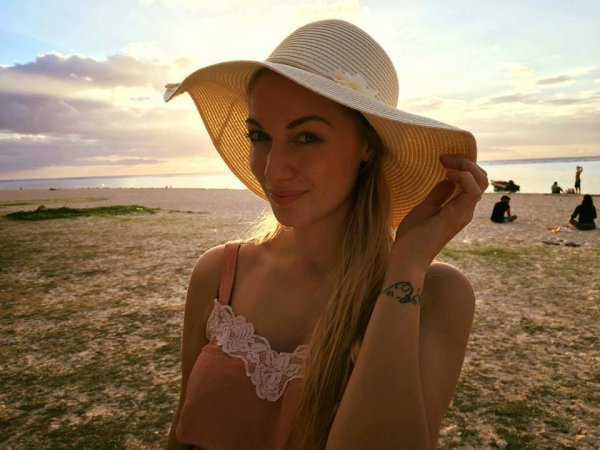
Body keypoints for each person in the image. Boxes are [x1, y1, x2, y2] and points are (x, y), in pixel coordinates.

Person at [164, 20, 487, 450]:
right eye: (259, 135)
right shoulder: (218, 273)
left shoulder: (436, 295)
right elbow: (181, 431)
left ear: (367, 146)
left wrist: (406, 268)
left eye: (307, 137)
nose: (272, 169)